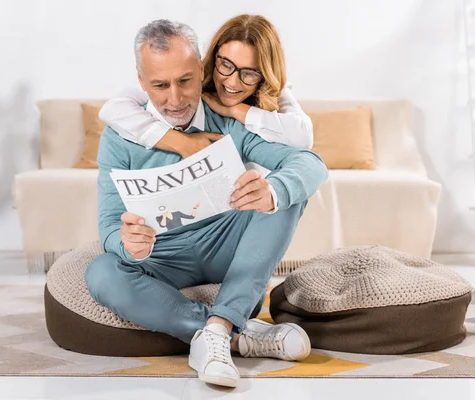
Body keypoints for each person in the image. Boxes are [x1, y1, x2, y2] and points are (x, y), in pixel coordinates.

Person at [85, 20, 329, 389]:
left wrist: (273, 189)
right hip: (161, 254)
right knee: (102, 273)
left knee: (282, 196)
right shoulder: (120, 137)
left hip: (226, 242)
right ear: (140, 81)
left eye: (185, 81)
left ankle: (218, 328)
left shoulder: (230, 118)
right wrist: (127, 244)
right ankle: (236, 334)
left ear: (202, 69)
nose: (175, 99)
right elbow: (108, 224)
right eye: (159, 86)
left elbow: (310, 164)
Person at [98, 14, 313, 159]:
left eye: (249, 72)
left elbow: (303, 137)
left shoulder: (276, 91)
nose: (231, 82)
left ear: (265, 73)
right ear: (212, 58)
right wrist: (181, 142)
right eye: (226, 65)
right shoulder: (190, 77)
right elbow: (113, 109)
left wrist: (236, 110)